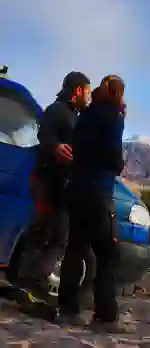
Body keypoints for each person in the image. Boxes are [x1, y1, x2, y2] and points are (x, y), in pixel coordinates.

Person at [57, 75, 134, 333]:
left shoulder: (86, 115)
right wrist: (119, 164)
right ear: (118, 94)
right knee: (107, 254)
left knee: (75, 248)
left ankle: (67, 310)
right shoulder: (113, 116)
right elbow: (111, 153)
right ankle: (105, 316)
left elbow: (79, 149)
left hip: (76, 188)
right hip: (97, 191)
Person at [8, 72, 91, 296]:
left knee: (57, 233)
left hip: (61, 183)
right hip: (47, 179)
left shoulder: (75, 116)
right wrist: (55, 148)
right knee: (43, 229)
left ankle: (33, 277)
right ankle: (28, 278)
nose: (89, 97)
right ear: (77, 91)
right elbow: (43, 132)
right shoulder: (57, 110)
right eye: (87, 91)